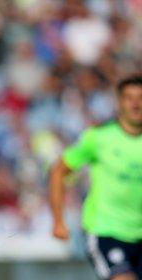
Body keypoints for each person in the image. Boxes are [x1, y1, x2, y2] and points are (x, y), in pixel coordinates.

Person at [49, 75, 142, 280]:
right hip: (107, 231)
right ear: (120, 102)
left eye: (141, 98)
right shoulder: (99, 138)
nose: (136, 104)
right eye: (129, 98)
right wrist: (58, 220)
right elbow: (59, 171)